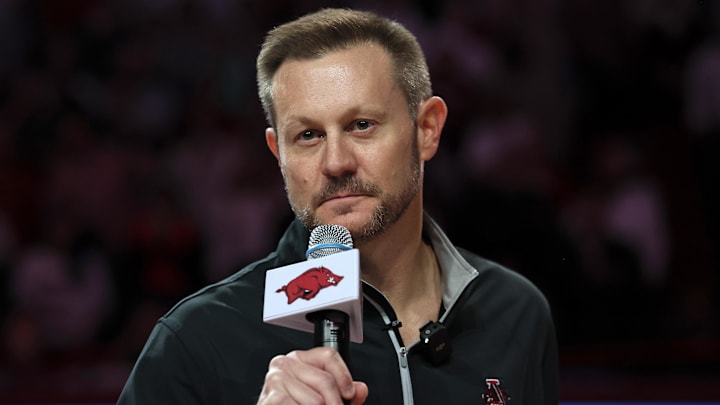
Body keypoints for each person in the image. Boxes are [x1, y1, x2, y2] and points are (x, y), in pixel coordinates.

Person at [117, 8, 558, 405]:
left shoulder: (516, 313)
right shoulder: (198, 340)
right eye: (308, 136)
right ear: (278, 153)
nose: (336, 163)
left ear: (426, 129)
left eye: (361, 126)